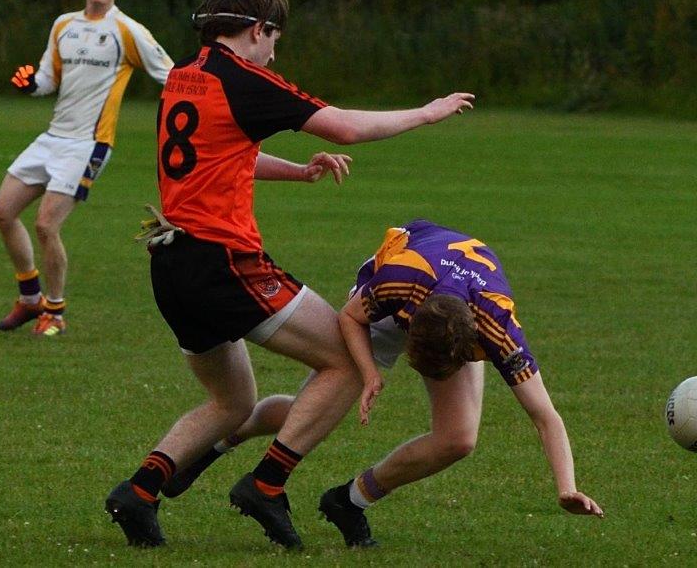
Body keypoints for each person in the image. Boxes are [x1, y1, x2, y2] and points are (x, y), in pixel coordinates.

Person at [103, 0, 475, 549]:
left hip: (168, 258)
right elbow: (346, 128)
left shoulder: (183, 76)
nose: (274, 53)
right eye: (275, 39)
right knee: (349, 360)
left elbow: (222, 159)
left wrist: (298, 171)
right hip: (223, 262)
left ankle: (140, 492)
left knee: (233, 403)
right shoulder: (245, 79)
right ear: (257, 29)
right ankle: (268, 485)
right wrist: (426, 113)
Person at [161, 219, 605, 547]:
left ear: (474, 350)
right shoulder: (398, 284)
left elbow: (544, 416)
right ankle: (220, 441)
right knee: (328, 395)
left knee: (458, 439)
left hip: (456, 303)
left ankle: (348, 501)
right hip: (404, 272)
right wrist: (369, 373)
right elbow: (351, 316)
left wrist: (566, 487)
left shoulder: (499, 330)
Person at [0, 0, 174, 336]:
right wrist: (30, 84)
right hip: (53, 138)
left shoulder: (127, 30)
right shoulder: (64, 25)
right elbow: (47, 80)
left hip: (89, 145)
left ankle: (54, 312)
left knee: (45, 225)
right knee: (2, 211)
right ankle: (29, 299)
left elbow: (170, 74)